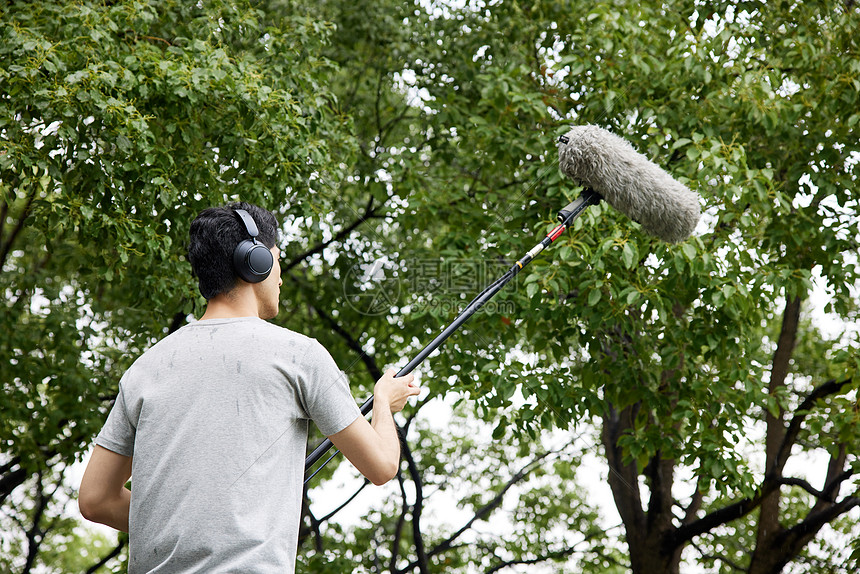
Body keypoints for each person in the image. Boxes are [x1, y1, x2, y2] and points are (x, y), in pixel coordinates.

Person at [78, 202, 419, 573]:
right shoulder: (299, 355)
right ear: (253, 261)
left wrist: (183, 530)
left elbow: (95, 499)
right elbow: (382, 466)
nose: (281, 278)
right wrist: (383, 402)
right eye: (276, 260)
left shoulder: (145, 368)